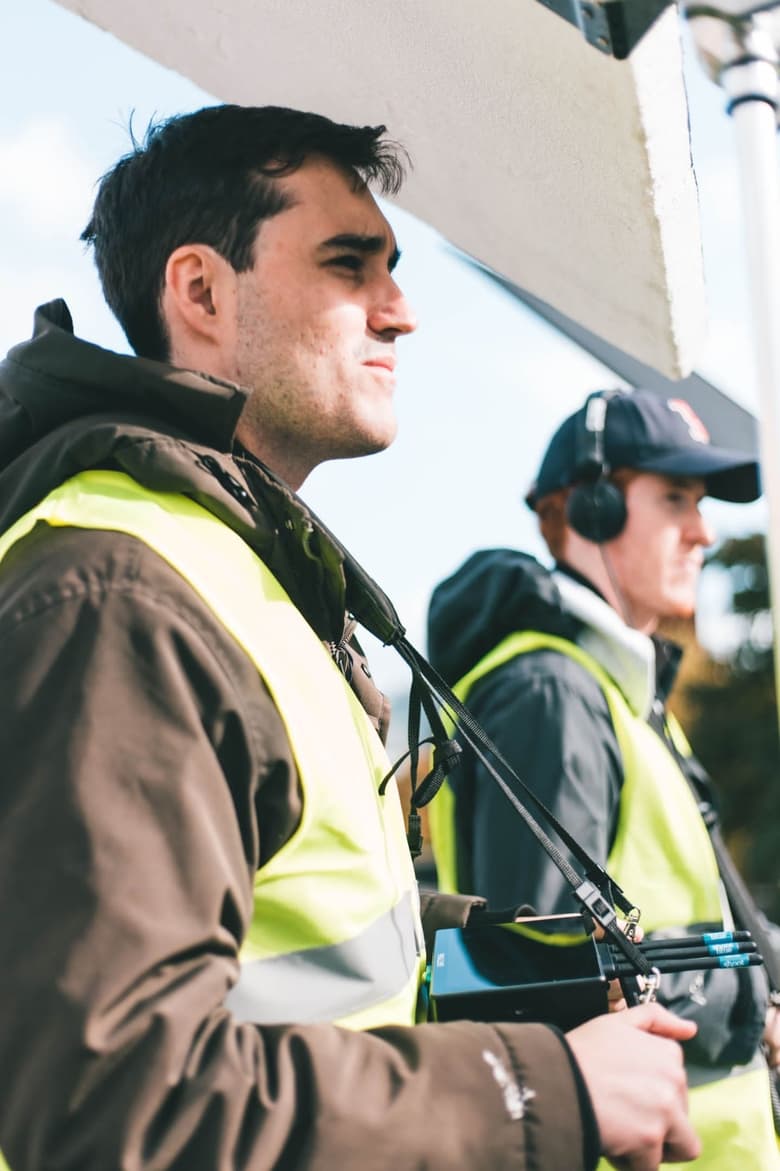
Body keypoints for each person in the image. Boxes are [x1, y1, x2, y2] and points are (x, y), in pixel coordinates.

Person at [0, 108, 700, 1171]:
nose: (403, 312)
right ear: (199, 291)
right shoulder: (123, 593)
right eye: (348, 264)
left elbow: (291, 917)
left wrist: (496, 945)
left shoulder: (240, 571)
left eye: (395, 267)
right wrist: (540, 1090)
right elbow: (113, 1104)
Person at [427, 387, 780, 1169]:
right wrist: (755, 1006)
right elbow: (543, 983)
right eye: (677, 499)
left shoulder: (620, 698)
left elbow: (697, 924)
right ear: (589, 509)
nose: (704, 531)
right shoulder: (550, 696)